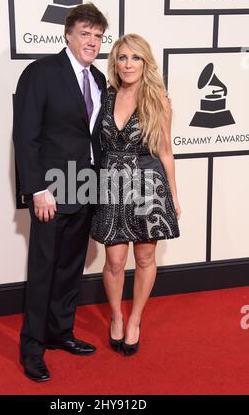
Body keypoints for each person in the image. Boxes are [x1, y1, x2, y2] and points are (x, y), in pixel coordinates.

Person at [13, 3, 108, 382]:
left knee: (70, 267)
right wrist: (37, 188)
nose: (92, 41)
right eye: (85, 33)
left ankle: (59, 332)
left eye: (98, 36)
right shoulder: (41, 73)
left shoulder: (99, 79)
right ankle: (32, 347)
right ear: (67, 34)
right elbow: (25, 136)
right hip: (51, 190)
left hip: (85, 186)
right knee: (43, 269)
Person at [91, 34, 181, 356]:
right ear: (115, 62)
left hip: (148, 186)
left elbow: (166, 151)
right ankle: (116, 316)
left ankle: (135, 321)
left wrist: (172, 194)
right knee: (114, 261)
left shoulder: (158, 100)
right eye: (122, 57)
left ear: (146, 63)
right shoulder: (105, 96)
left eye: (135, 58)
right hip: (112, 185)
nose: (128, 64)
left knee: (144, 258)